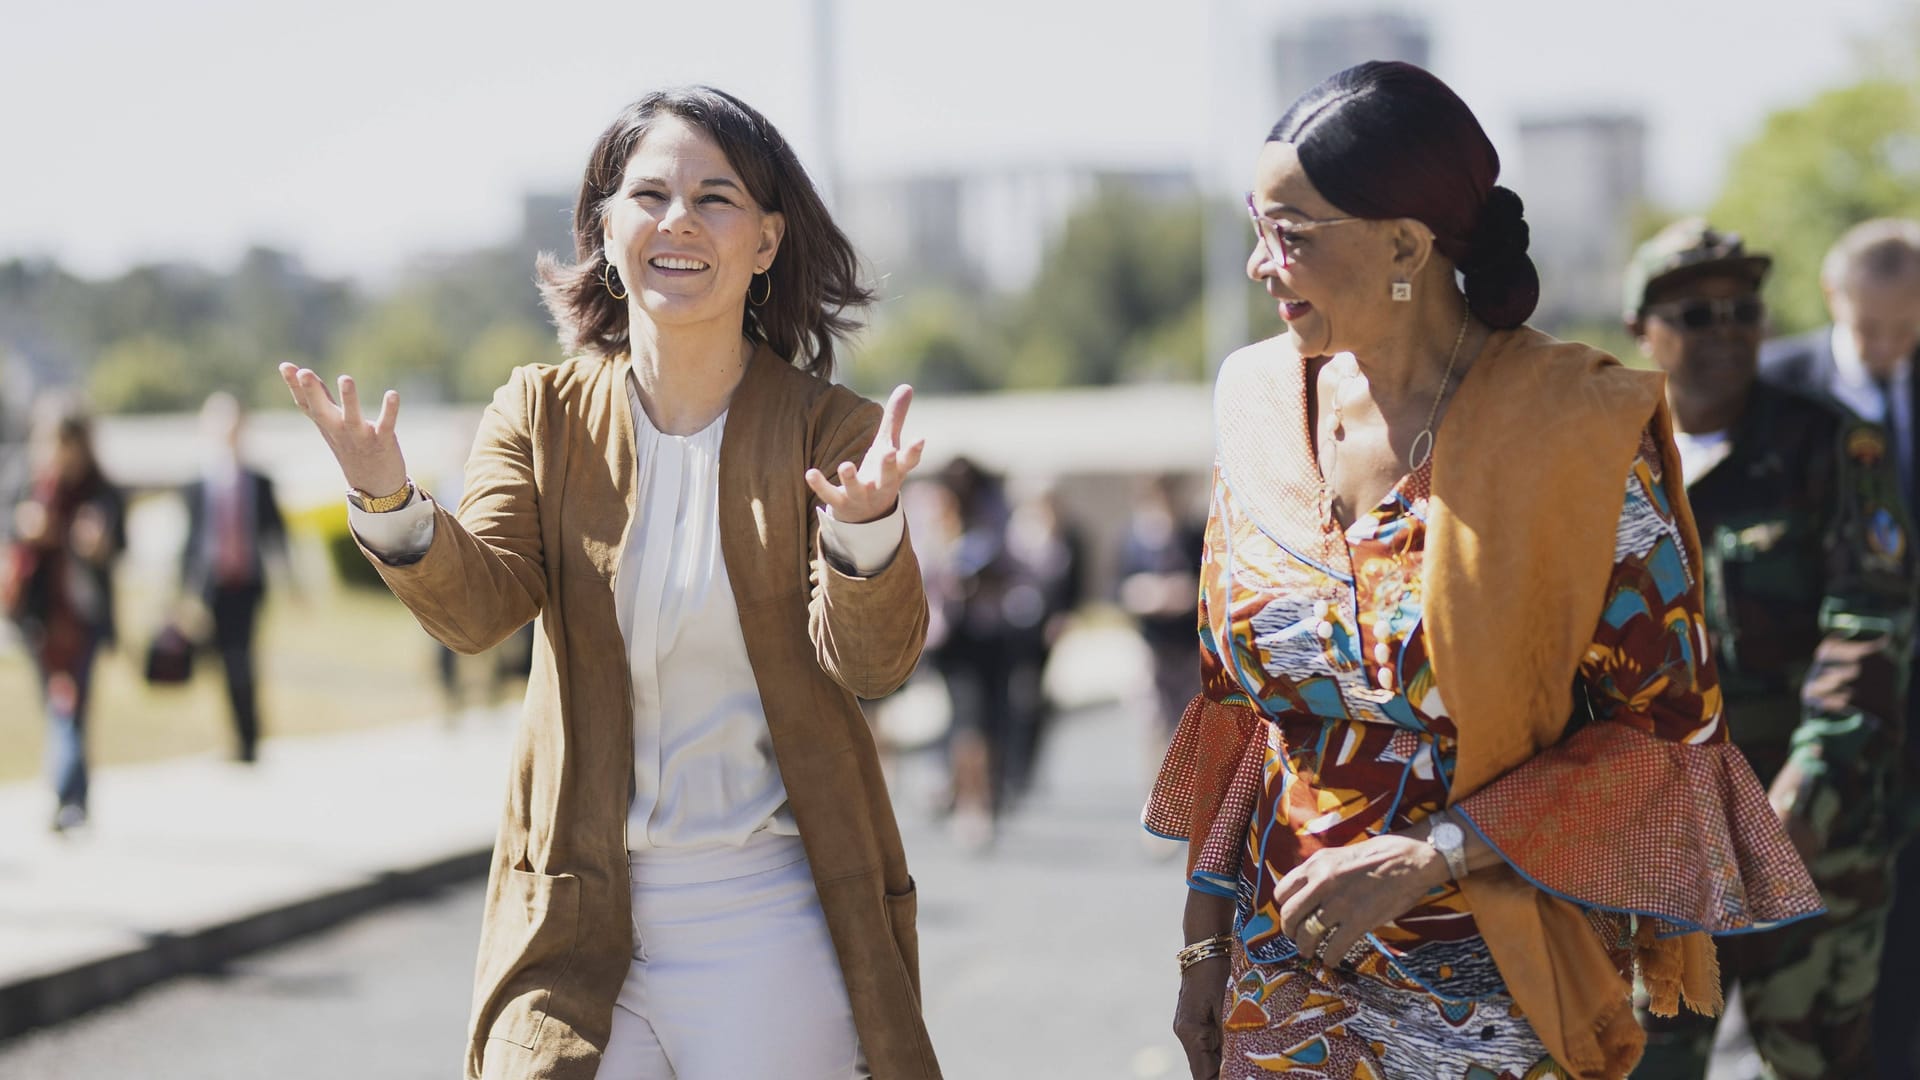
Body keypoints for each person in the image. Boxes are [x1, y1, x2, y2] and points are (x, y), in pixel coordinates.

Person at [1148, 62, 1822, 1080]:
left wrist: (1434, 855)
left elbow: (1665, 738)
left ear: (1407, 247)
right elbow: (1237, 716)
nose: (1258, 264)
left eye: (1291, 236)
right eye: (1255, 224)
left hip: (1497, 998)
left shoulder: (1571, 434)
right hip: (1275, 986)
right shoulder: (1252, 405)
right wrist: (1202, 943)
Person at [280, 87, 939, 1080]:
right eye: (651, 194)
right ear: (605, 226)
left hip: (773, 907)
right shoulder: (538, 411)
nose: (679, 220)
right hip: (575, 916)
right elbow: (480, 606)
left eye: (716, 199)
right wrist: (389, 503)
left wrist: (864, 533)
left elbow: (876, 661)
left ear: (767, 241)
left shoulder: (829, 432)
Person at [1621, 219, 1919, 1079]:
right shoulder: (1603, 458)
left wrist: (1799, 803)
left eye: (1745, 311)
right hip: (1656, 849)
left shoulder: (1832, 446)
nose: (1728, 332)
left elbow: (1868, 628)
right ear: (1642, 327)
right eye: (1698, 313)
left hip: (1813, 841)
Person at [1756, 218, 1920, 1079]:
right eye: (1872, 329)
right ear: (1833, 300)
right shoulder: (1770, 390)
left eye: (1908, 327)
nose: (1891, 348)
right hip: (1800, 726)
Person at [3, 396, 124, 832]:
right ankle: (75, 795)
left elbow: (118, 544)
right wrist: (24, 526)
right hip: (38, 617)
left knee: (72, 708)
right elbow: (7, 528)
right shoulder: (25, 481)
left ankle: (66, 798)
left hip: (84, 617)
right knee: (57, 707)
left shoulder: (100, 490)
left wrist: (98, 543)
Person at [179, 392, 288, 763]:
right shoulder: (197, 484)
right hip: (211, 588)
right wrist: (182, 593)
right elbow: (189, 542)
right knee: (218, 662)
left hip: (248, 585)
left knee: (242, 660)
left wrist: (293, 583)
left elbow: (277, 535)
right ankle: (236, 736)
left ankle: (249, 738)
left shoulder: (259, 481)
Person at [1116, 474, 1206, 784]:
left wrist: (1184, 592)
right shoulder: (1134, 540)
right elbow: (1119, 589)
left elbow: (1209, 584)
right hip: (1151, 642)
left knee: (1189, 721)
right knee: (1153, 721)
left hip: (1188, 643)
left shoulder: (1193, 535)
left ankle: (1186, 793)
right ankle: (1157, 792)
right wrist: (1148, 594)